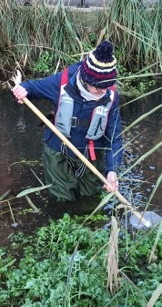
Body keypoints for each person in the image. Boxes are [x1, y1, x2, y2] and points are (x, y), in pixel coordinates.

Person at [12, 40, 123, 202]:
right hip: (58, 150)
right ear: (87, 79)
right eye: (99, 87)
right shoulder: (62, 82)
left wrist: (112, 170)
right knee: (62, 202)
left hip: (91, 154)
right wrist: (22, 90)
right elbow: (31, 88)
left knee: (91, 201)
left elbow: (115, 137)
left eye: (107, 86)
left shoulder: (111, 97)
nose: (103, 91)